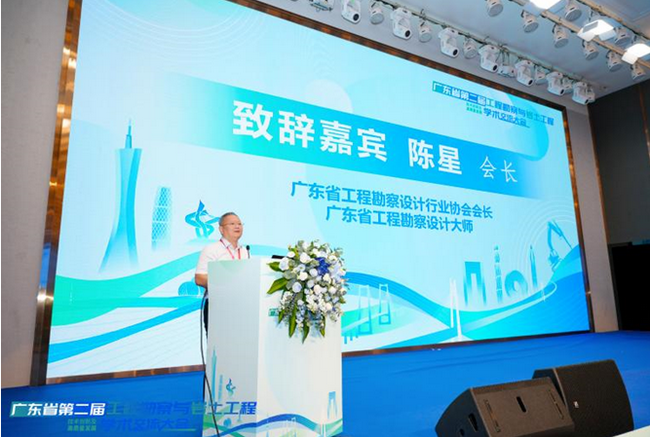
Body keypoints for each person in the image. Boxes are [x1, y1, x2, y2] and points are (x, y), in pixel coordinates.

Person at [195, 212, 248, 332]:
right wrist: (226, 284)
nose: (237, 226)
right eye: (232, 223)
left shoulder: (245, 251)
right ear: (221, 229)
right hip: (217, 305)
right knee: (219, 343)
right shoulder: (211, 249)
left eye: (240, 224)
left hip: (241, 305)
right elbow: (199, 278)